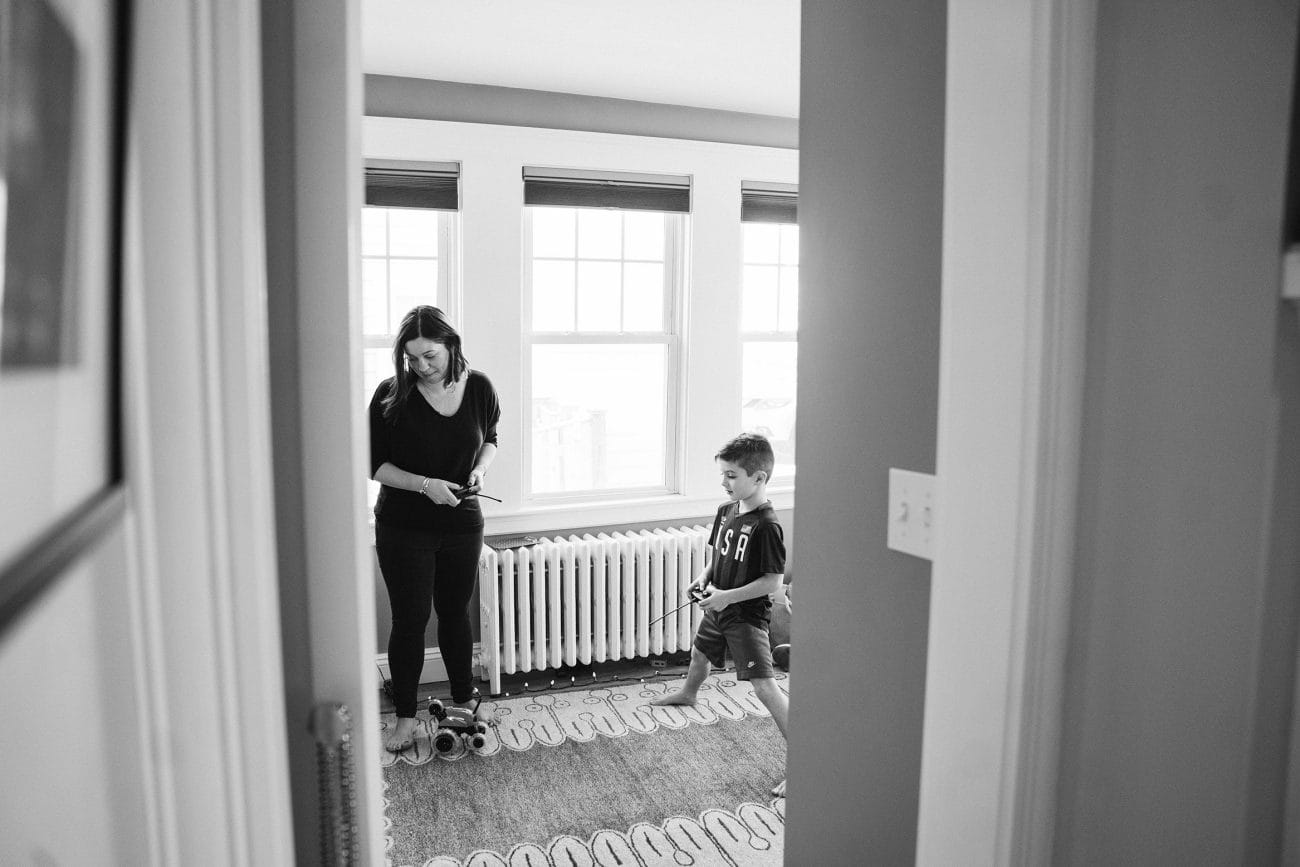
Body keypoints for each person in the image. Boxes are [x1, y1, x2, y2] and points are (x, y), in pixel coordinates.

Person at [369, 305, 500, 752]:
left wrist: (480, 470)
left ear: (451, 346)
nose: (421, 367)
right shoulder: (392, 395)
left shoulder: (479, 387)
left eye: (430, 356)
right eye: (412, 359)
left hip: (463, 524)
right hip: (404, 527)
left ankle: (464, 699)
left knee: (455, 614)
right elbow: (376, 466)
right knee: (410, 621)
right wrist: (425, 486)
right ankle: (405, 717)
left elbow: (490, 439)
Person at [650, 432, 789, 797]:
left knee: (763, 686)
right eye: (723, 474)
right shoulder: (726, 511)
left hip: (744, 616)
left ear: (758, 478)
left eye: (732, 475)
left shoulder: (767, 525)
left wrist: (728, 597)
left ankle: (804, 762)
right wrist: (703, 579)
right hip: (718, 605)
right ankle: (689, 693)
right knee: (700, 653)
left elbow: (772, 581)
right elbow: (718, 557)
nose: (724, 482)